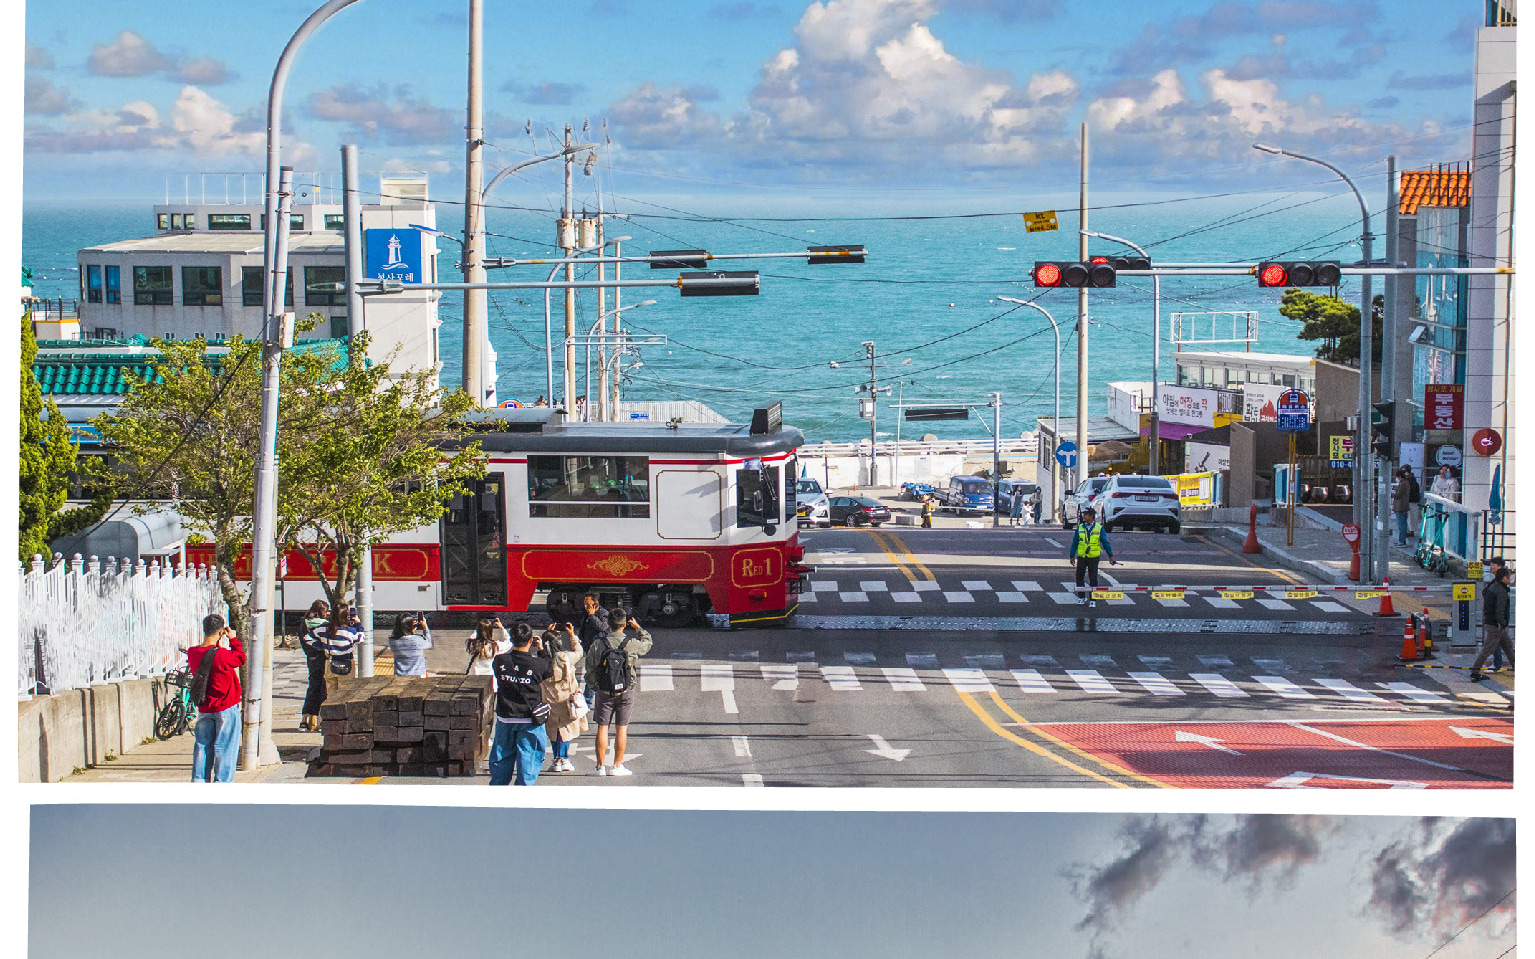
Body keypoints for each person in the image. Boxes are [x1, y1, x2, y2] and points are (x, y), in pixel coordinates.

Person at [584, 608, 653, 776]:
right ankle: (617, 766)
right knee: (622, 728)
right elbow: (647, 644)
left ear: (608, 624)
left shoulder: (598, 644)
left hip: (604, 690)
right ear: (624, 624)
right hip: (625, 690)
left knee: (602, 727)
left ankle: (600, 767)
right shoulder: (631, 644)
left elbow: (590, 668)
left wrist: (595, 686)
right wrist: (638, 628)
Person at [488, 623, 552, 785]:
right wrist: (542, 650)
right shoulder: (538, 665)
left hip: (506, 717)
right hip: (530, 719)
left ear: (511, 639)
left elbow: (503, 664)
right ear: (531, 640)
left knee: (501, 759)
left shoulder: (500, 661)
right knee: (528, 761)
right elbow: (549, 669)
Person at [187, 613, 246, 783]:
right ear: (221, 631)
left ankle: (199, 781)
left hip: (205, 707)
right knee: (225, 748)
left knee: (202, 746)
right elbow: (240, 658)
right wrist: (233, 639)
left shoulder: (193, 653)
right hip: (226, 706)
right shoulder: (223, 655)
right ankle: (221, 784)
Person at [541, 624, 588, 772]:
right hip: (566, 699)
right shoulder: (565, 657)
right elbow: (579, 651)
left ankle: (556, 759)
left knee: (554, 730)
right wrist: (572, 635)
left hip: (549, 699)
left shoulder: (542, 660)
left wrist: (546, 637)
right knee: (566, 729)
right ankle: (563, 758)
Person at [1470, 566, 1515, 682]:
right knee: (1488, 649)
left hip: (1493, 623)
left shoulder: (1493, 587)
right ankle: (1474, 672)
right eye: (1508, 576)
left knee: (1508, 646)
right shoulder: (1501, 590)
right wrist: (1501, 623)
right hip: (1496, 626)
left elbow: (1484, 594)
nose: (1510, 578)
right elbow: (1500, 609)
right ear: (1503, 578)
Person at [1067, 506, 1118, 608]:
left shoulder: (1098, 528)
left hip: (1093, 557)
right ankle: (1081, 597)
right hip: (1082, 556)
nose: (1083, 516)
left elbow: (1105, 542)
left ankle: (1092, 599)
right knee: (1079, 577)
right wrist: (1072, 555)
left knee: (1093, 578)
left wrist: (1110, 555)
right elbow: (1075, 542)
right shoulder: (1081, 527)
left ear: (1091, 516)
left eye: (1085, 514)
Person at [298, 600, 330, 732]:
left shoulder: (303, 623)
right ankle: (321, 720)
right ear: (322, 612)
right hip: (323, 658)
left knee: (312, 687)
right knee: (323, 688)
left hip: (311, 658)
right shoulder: (324, 625)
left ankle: (305, 720)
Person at [321, 604, 362, 695]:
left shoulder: (324, 630)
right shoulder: (350, 631)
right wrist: (358, 624)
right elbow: (361, 638)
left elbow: (308, 638)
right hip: (346, 664)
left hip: (330, 663)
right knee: (345, 694)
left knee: (331, 694)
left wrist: (322, 646)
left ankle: (330, 709)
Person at [389, 612, 433, 677]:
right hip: (418, 675)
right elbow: (429, 643)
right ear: (410, 627)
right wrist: (425, 628)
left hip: (400, 676)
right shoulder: (418, 640)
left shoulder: (392, 641)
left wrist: (411, 629)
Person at [1391, 467, 1411, 547]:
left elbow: (1399, 495)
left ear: (1399, 477)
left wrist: (1393, 493)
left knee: (1401, 525)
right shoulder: (1405, 483)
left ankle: (1402, 541)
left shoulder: (1403, 484)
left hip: (1400, 506)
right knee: (1403, 524)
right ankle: (1401, 540)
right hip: (1403, 506)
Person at [1406, 467, 1422, 539]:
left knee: (1411, 516)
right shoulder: (1408, 480)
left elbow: (1411, 490)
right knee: (1409, 517)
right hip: (1408, 501)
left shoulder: (1411, 481)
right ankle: (1409, 530)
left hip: (1411, 500)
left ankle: (1411, 531)